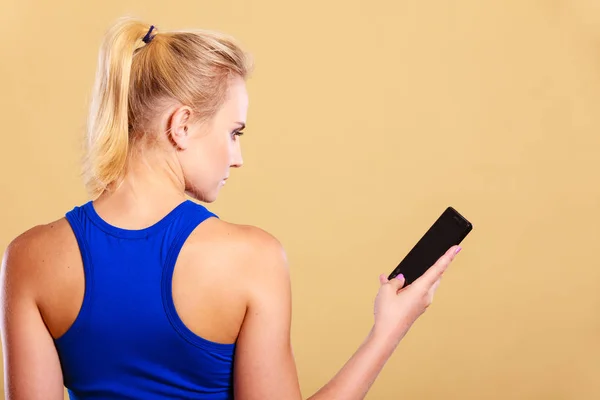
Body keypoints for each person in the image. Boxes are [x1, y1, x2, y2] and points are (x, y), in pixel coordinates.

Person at [0, 17, 462, 400]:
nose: (237, 156)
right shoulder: (252, 259)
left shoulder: (27, 257)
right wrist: (387, 331)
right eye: (234, 132)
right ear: (181, 125)